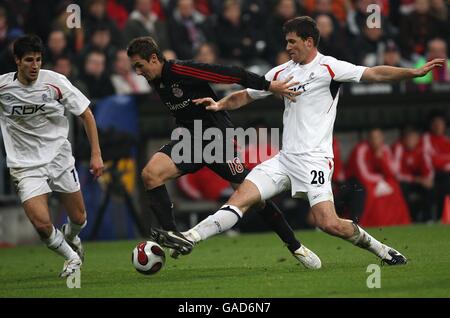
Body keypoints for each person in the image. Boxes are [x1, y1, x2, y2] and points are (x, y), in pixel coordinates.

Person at [150, 16, 445, 265]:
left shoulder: (330, 68)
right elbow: (245, 95)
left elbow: (375, 74)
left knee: (328, 223)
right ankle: (190, 237)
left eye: (292, 41)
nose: (287, 46)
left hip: (315, 159)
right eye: (286, 41)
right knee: (241, 199)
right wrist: (219, 105)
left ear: (309, 42)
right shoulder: (281, 72)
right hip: (284, 158)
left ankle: (380, 249)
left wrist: (414, 73)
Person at [126, 36, 321, 268]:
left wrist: (269, 86)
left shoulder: (182, 70)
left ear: (154, 58)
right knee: (150, 174)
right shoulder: (155, 78)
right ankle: (174, 235)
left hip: (217, 140)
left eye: (140, 65)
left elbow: (232, 74)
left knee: (254, 198)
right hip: (189, 140)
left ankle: (295, 246)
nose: (138, 72)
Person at [0, 35, 104, 277]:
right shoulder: (3, 87)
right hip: (25, 165)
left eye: (38, 60)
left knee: (79, 218)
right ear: (17, 61)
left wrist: (96, 154)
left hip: (58, 157)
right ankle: (71, 257)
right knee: (42, 224)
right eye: (29, 60)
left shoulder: (56, 82)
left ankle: (71, 236)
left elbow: (86, 114)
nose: (35, 65)